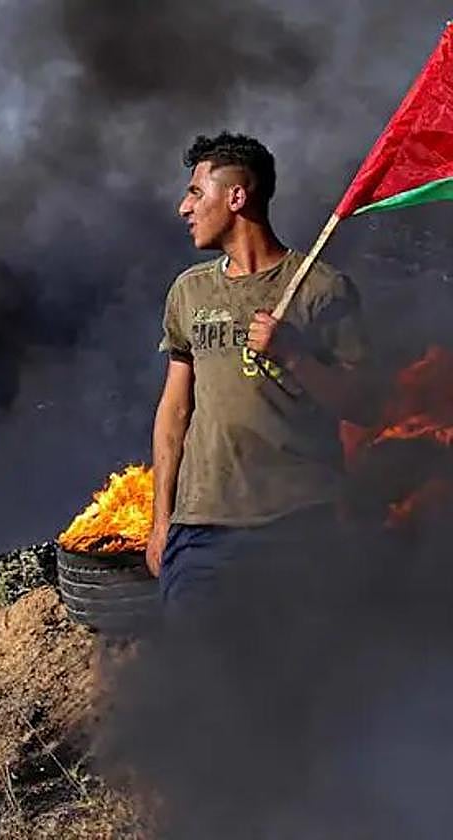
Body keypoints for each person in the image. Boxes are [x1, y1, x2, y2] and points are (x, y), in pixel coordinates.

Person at [147, 132, 371, 615]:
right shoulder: (188, 293)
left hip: (301, 525)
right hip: (200, 531)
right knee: (201, 677)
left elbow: (363, 404)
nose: (184, 208)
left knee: (296, 683)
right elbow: (175, 409)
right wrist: (162, 519)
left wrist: (294, 354)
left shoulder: (322, 289)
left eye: (195, 192)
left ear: (237, 196)